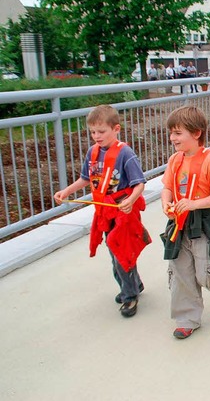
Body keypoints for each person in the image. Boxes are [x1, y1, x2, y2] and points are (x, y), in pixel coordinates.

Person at [53, 105, 149, 318]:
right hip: (105, 212)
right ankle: (134, 285)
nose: (96, 136)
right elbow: (86, 178)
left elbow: (139, 183)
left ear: (116, 129)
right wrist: (67, 191)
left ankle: (130, 295)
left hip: (123, 211)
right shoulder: (93, 152)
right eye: (93, 132)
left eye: (101, 131)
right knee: (115, 252)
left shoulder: (125, 153)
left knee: (120, 251)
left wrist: (131, 200)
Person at [160, 106, 210, 340]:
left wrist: (194, 204)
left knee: (205, 273)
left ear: (196, 133)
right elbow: (168, 187)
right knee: (181, 272)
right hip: (179, 226)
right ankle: (187, 319)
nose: (172, 138)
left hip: (204, 226)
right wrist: (166, 204)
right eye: (171, 133)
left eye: (178, 133)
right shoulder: (175, 160)